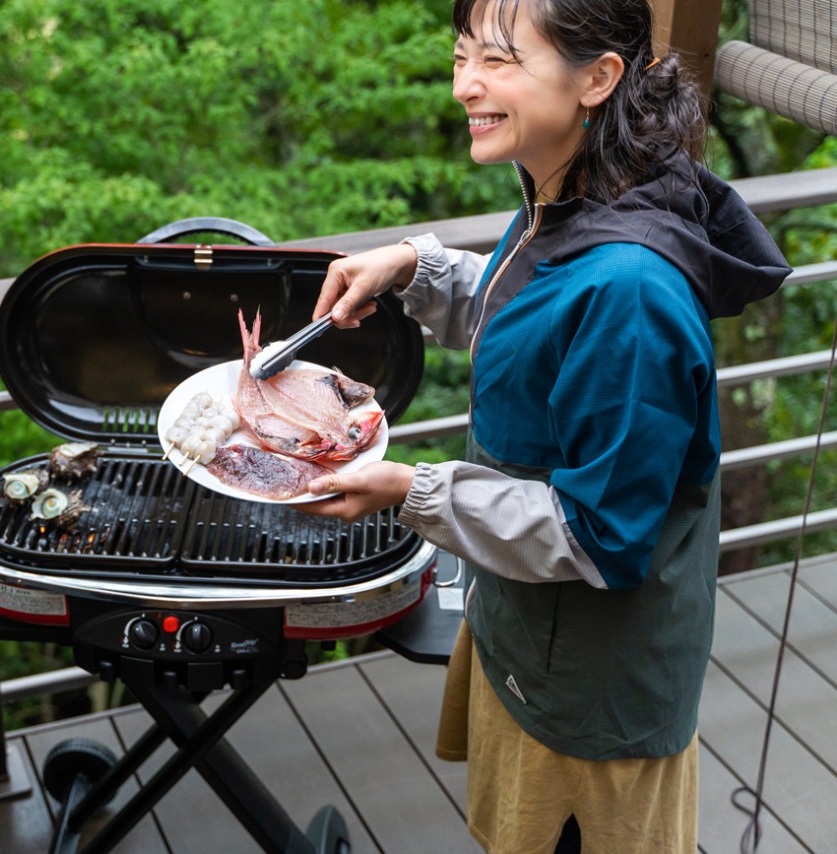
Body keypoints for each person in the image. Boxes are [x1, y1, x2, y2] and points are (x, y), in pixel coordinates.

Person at [299, 0, 790, 851]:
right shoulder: (569, 195)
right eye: (461, 57)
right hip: (525, 630)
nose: (465, 86)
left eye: (499, 60)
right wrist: (415, 266)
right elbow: (529, 328)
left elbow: (600, 537)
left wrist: (409, 491)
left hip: (591, 692)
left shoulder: (632, 290)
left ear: (597, 78)